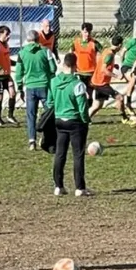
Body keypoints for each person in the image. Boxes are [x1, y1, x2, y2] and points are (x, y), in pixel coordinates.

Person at [46, 52, 92, 198]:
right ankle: (80, 188)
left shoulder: (53, 81)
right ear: (75, 65)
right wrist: (85, 120)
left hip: (59, 120)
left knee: (60, 153)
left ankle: (58, 186)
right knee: (78, 155)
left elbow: (50, 102)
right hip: (75, 121)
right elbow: (82, 106)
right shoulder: (77, 84)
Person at [15, 28, 56, 150]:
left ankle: (32, 141)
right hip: (45, 86)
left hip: (30, 87)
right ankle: (48, 138)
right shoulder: (46, 51)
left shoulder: (22, 53)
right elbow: (53, 68)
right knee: (49, 113)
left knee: (31, 114)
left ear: (27, 40)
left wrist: (20, 87)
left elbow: (18, 73)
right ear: (39, 39)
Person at [89, 34, 127, 122]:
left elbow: (103, 62)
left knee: (97, 105)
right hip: (101, 83)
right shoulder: (110, 55)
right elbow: (104, 70)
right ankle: (125, 118)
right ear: (120, 45)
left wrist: (114, 65)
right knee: (120, 97)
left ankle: (84, 120)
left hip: (97, 81)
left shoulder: (107, 50)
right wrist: (117, 76)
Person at [72, 23, 99, 92]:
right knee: (80, 92)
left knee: (89, 93)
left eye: (89, 32)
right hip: (79, 72)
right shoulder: (76, 42)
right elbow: (70, 54)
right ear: (81, 31)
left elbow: (105, 53)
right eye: (85, 32)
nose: (87, 34)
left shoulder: (94, 43)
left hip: (91, 72)